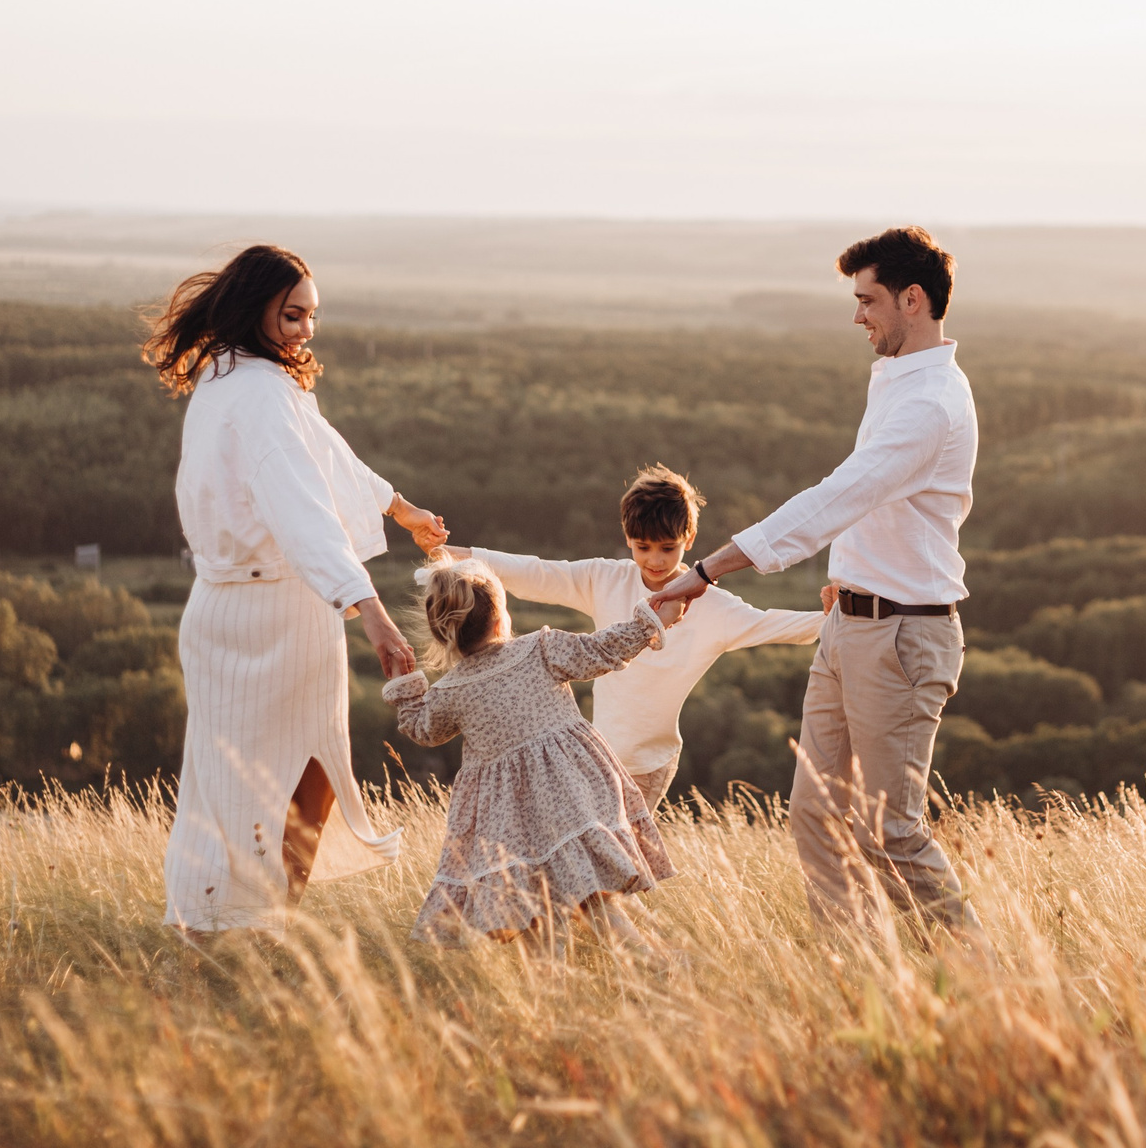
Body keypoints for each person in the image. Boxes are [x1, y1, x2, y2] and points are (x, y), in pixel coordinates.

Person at [650, 226, 980, 935]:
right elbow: (872, 511)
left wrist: (708, 569)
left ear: (912, 300)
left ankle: (986, 982)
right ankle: (853, 977)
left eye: (868, 300)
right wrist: (847, 576)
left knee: (890, 830)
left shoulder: (930, 404)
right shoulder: (900, 382)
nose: (856, 316)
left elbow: (839, 496)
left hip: (900, 636)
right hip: (852, 625)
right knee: (817, 816)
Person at [145, 243, 445, 936]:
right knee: (299, 784)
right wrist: (367, 608)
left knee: (231, 788)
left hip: (222, 609)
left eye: (311, 314)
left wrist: (402, 511)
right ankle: (251, 926)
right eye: (292, 315)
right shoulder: (257, 391)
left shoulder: (230, 376)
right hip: (276, 613)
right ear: (256, 309)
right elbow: (302, 502)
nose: (307, 329)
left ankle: (235, 928)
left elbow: (326, 453)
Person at [433, 465, 826, 805]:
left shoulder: (714, 608)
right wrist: (451, 554)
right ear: (627, 537)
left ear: (688, 540)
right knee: (592, 869)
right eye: (643, 547)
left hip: (650, 764)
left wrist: (832, 614)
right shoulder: (604, 578)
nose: (654, 560)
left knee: (617, 869)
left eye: (668, 549)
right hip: (597, 754)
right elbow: (535, 572)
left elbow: (775, 625)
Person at [384, 558, 680, 951]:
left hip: (511, 820)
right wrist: (652, 623)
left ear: (442, 634)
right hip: (571, 795)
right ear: (498, 619)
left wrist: (405, 684)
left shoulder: (449, 691)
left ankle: (567, 989)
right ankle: (652, 964)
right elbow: (602, 649)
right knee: (591, 898)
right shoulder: (540, 649)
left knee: (537, 907)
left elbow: (423, 730)